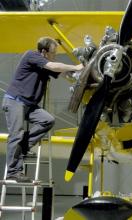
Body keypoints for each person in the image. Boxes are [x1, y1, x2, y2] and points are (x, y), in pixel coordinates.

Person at [2, 36, 84, 182]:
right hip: (15, 101)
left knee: (48, 120)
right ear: (44, 52)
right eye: (53, 53)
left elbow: (64, 74)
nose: (55, 56)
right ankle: (13, 172)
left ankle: (23, 147)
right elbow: (54, 67)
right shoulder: (31, 56)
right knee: (16, 134)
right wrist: (75, 67)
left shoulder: (45, 64)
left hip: (29, 105)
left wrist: (84, 73)